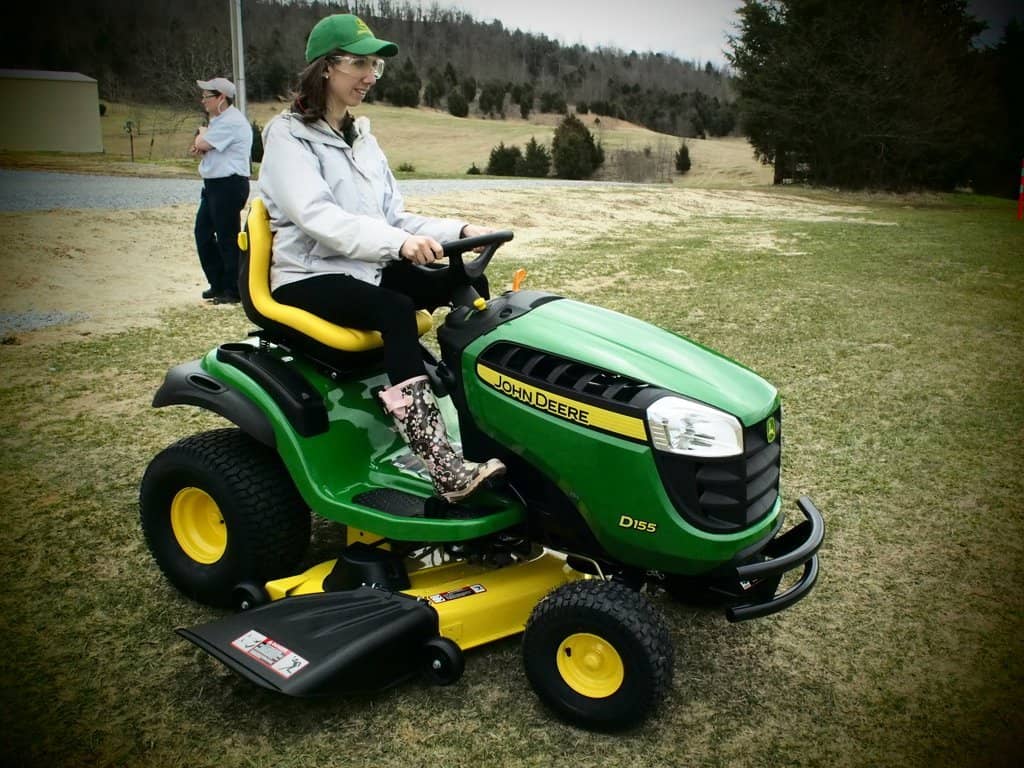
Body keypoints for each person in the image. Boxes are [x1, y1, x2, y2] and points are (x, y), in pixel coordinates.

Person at [256, 13, 504, 503]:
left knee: (466, 284)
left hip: (364, 265)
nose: (371, 76)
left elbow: (395, 216)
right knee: (392, 307)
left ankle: (483, 430)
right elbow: (318, 218)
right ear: (326, 67)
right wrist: (397, 245)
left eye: (375, 66)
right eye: (361, 64)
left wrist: (460, 231)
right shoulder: (287, 138)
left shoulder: (362, 139)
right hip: (308, 273)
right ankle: (440, 462)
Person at [190, 76, 252, 304]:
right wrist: (203, 136)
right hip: (214, 185)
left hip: (229, 185)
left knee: (228, 238)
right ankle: (217, 283)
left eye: (207, 96)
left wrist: (201, 133)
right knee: (203, 233)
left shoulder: (231, 122)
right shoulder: (218, 121)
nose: (203, 100)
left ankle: (234, 289)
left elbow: (201, 143)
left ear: (222, 98)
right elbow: (204, 145)